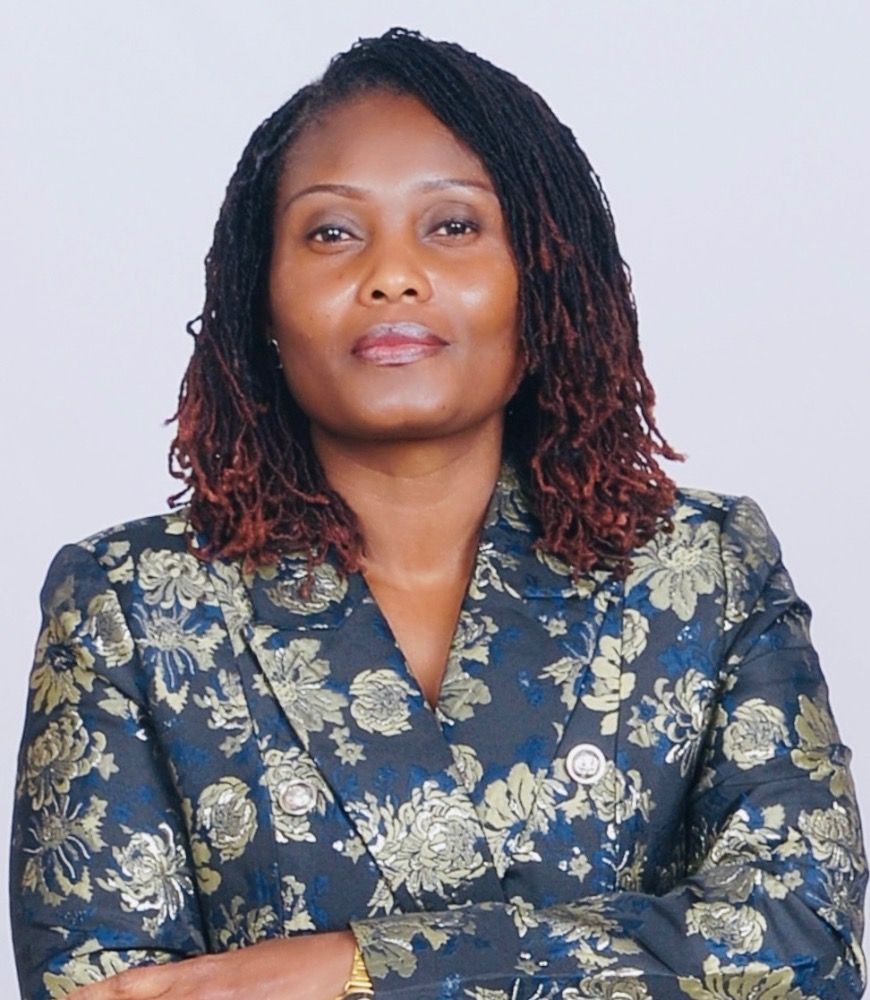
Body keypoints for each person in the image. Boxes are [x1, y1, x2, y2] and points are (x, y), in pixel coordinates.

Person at [10, 26, 866, 1000]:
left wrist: (362, 964)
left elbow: (807, 943)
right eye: (332, 231)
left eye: (452, 225)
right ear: (261, 300)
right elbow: (103, 989)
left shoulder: (704, 568)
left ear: (544, 281)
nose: (391, 274)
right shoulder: (131, 601)